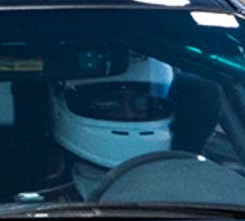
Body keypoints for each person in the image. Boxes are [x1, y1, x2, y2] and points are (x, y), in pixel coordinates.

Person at [46, 56, 177, 198]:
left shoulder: (184, 179)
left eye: (142, 104)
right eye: (108, 104)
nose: (129, 114)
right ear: (57, 106)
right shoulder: (43, 185)